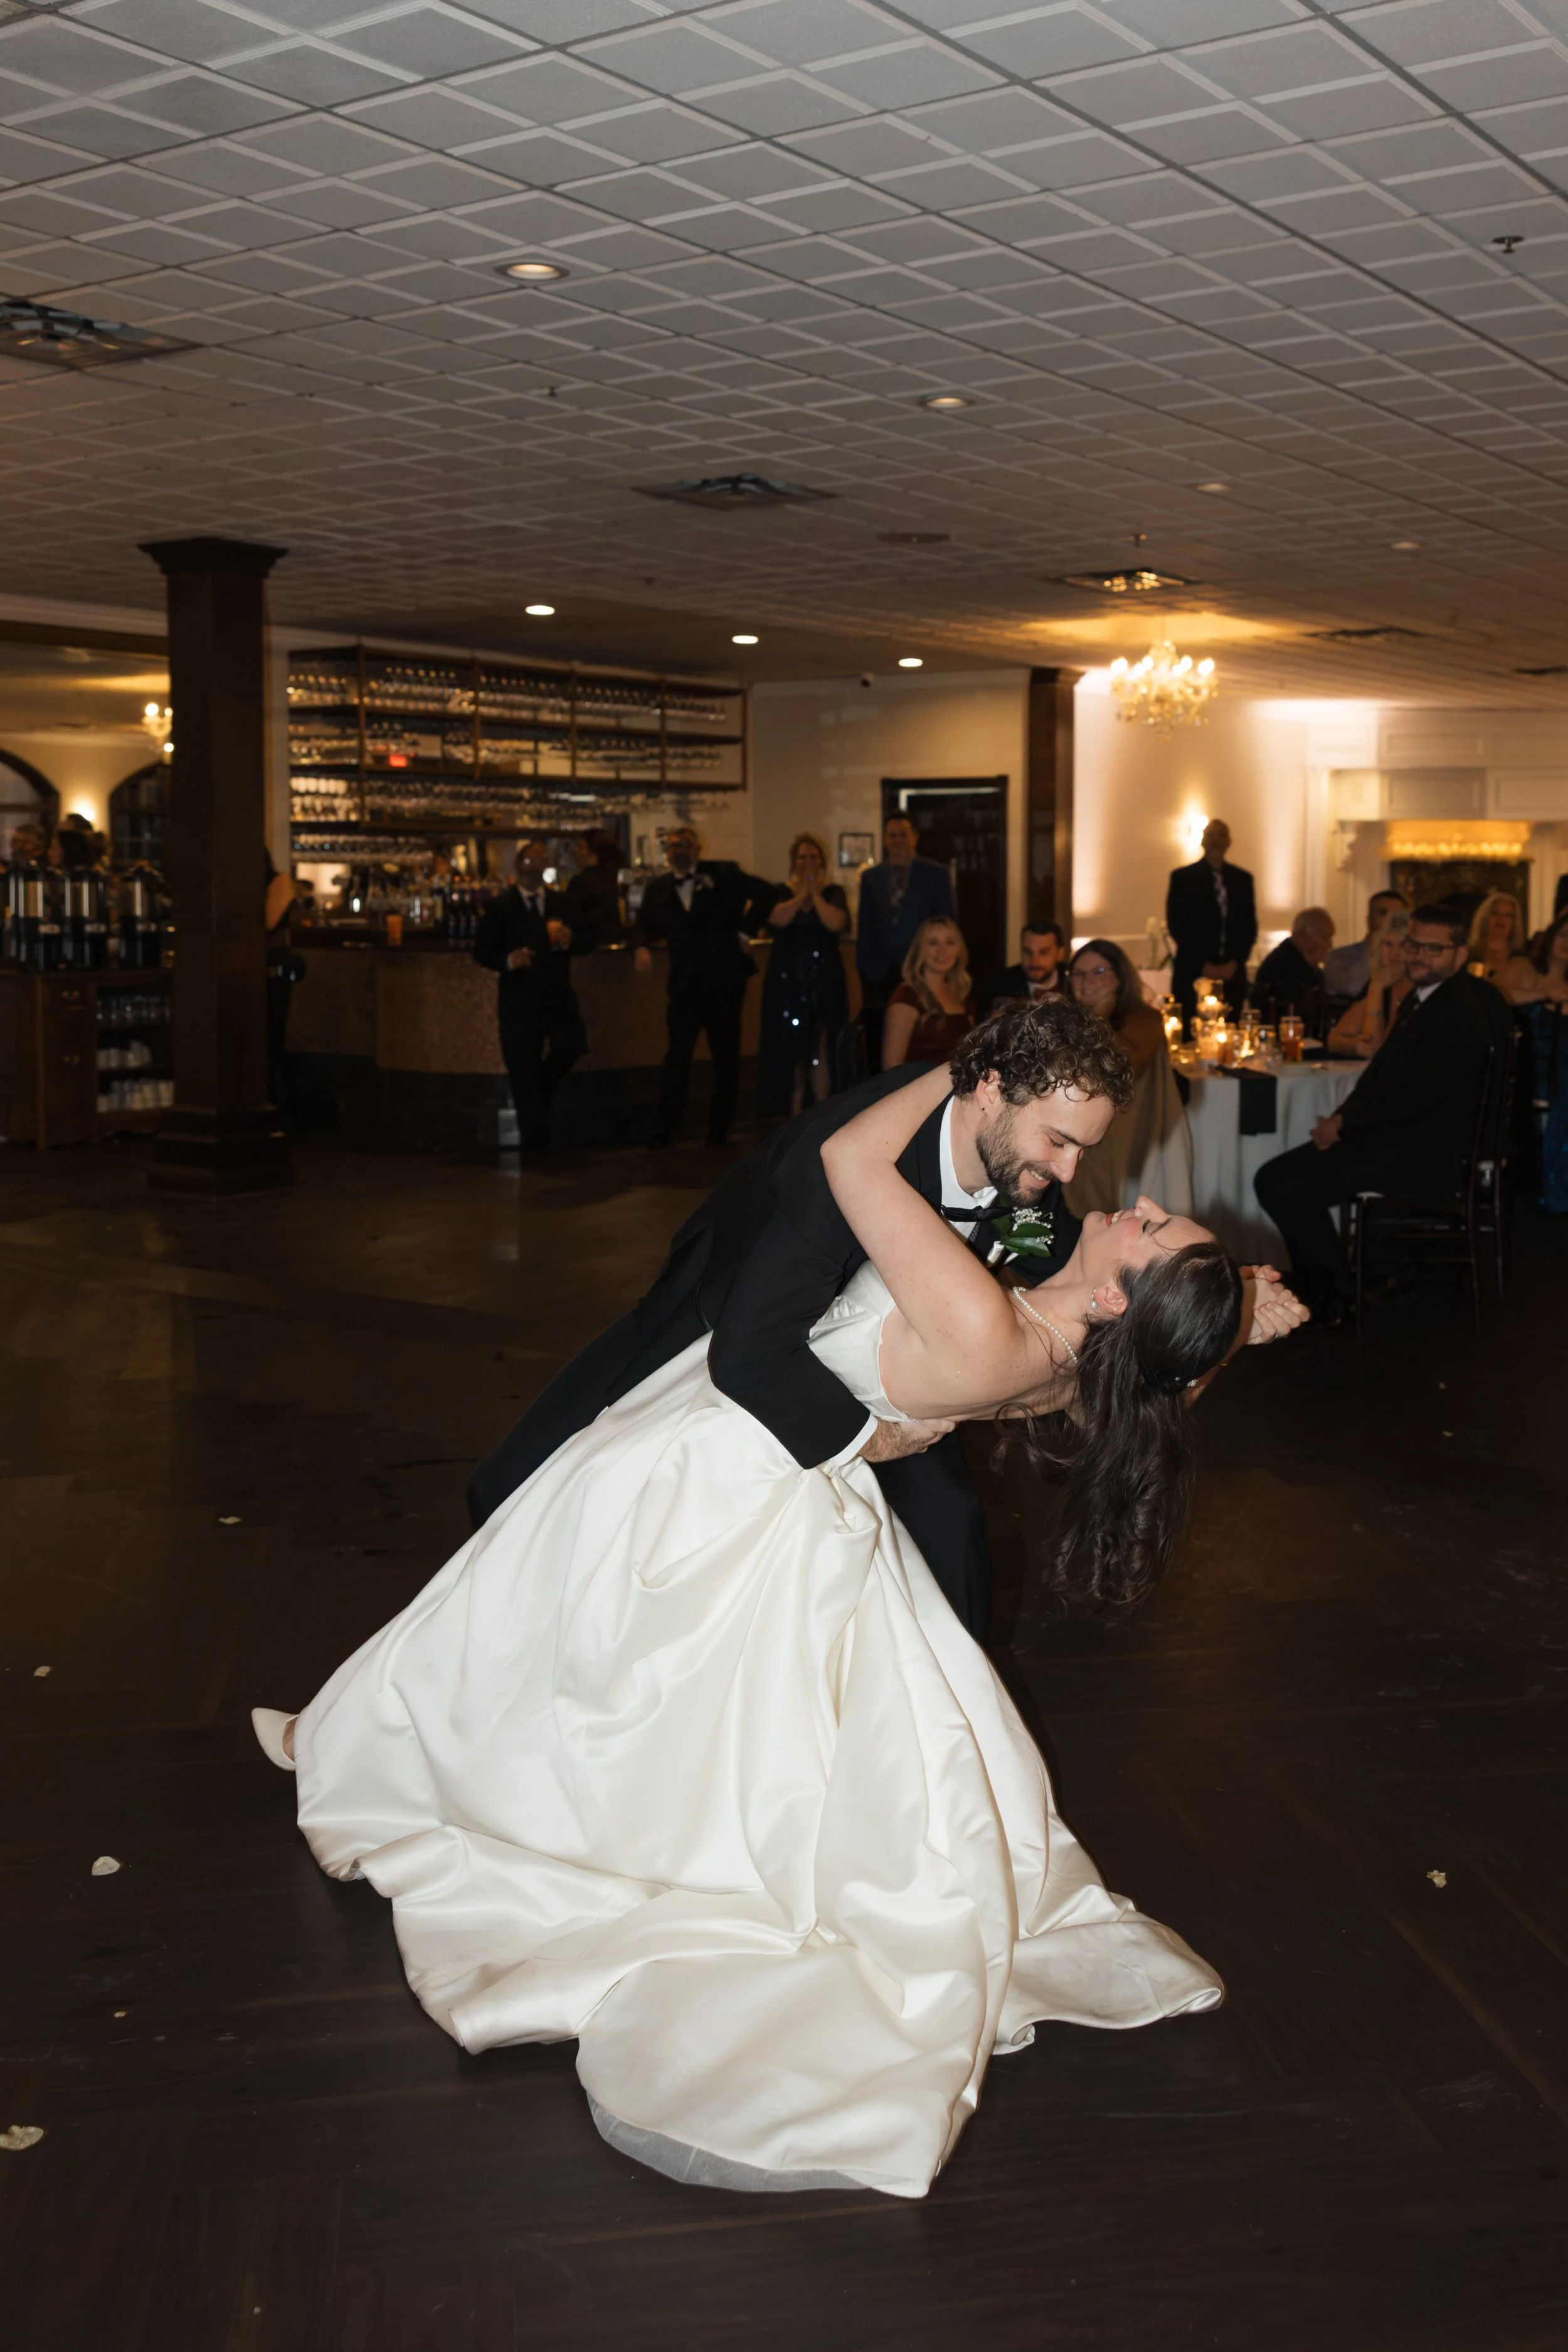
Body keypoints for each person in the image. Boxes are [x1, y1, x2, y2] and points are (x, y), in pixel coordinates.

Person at [253, 1049, 1306, 2200]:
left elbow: (847, 1160)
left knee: (544, 1629)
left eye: (1150, 1234)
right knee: (628, 1677)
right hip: (798, 1479)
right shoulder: (1080, 1354)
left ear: (1117, 1295)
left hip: (721, 1468)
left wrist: (962, 1068)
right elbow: (1158, 1361)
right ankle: (450, 1763)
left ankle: (424, 1773)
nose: (1138, 1201)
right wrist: (1234, 1315)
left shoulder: (983, 1316)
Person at [1254, 903, 1512, 1320]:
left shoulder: (1455, 1011)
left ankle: (1340, 1292)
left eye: (1433, 949)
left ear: (1460, 956)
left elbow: (1413, 1098)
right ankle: (1334, 1284)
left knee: (1279, 1182)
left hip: (1424, 1158)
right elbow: (1383, 1078)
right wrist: (1343, 1119)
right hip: (1406, 1140)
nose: (1417, 956)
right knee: (1280, 1178)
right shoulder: (1432, 998)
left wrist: (1346, 1123)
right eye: (1413, 945)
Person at [631, 825, 775, 1148]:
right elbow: (642, 926)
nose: (679, 850)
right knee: (677, 1056)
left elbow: (768, 893)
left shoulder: (723, 873)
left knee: (726, 1057)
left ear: (698, 848)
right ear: (667, 853)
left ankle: (719, 1130)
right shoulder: (658, 889)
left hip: (725, 982)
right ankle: (666, 1128)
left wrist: (744, 931)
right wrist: (641, 947)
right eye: (673, 846)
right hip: (684, 987)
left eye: (685, 844)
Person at [474, 837, 586, 1152]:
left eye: (539, 860)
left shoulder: (564, 904)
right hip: (519, 997)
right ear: (517, 866)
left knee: (572, 1044)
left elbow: (590, 938)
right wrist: (509, 960)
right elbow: (482, 951)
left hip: (557, 992)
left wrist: (570, 940)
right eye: (528, 860)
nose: (534, 866)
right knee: (522, 1064)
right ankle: (535, 1140)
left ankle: (540, 1099)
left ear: (547, 866)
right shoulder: (499, 907)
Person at [1065, 938, 1192, 1216]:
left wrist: (1097, 1016)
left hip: (1126, 1130)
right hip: (1074, 1127)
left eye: (1099, 972)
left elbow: (1123, 1066)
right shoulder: (1065, 1021)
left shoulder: (1146, 1019)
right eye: (1079, 974)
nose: (1087, 982)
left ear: (1120, 978)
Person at [757, 829, 849, 1118]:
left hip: (824, 983)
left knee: (821, 1048)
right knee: (791, 1048)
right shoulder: (781, 892)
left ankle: (821, 1113)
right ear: (793, 862)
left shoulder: (834, 893)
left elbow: (836, 923)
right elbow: (777, 920)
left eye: (812, 857)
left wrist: (815, 894)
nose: (807, 862)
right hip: (788, 983)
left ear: (821, 862)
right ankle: (792, 1115)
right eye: (802, 857)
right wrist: (802, 894)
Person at [854, 815, 954, 1062]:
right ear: (886, 841)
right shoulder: (871, 878)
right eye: (892, 835)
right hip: (879, 973)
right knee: (878, 1043)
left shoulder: (936, 874)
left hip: (922, 969)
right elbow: (865, 925)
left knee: (920, 1035)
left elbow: (947, 922)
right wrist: (865, 968)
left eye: (903, 834)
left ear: (914, 838)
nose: (898, 840)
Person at [1166, 818, 1256, 1033]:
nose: (1216, 841)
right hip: (1192, 972)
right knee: (1190, 1031)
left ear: (1229, 842)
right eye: (1211, 835)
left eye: (1222, 835)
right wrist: (1204, 965)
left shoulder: (1243, 880)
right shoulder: (1183, 878)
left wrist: (1234, 963)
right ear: (1203, 841)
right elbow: (1178, 925)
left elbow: (1249, 927)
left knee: (1230, 1032)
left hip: (1232, 975)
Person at [881, 917, 975, 1068]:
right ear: (920, 950)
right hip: (917, 1088)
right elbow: (891, 1067)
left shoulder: (962, 995)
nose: (942, 951)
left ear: (959, 950)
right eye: (933, 943)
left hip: (960, 1087)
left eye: (950, 943)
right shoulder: (907, 996)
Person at [1327, 906, 1412, 1058]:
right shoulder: (1381, 983)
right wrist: (1355, 1047)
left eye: (1403, 945)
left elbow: (1379, 1050)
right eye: (1388, 945)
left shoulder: (1422, 990)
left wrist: (1376, 988)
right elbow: (1334, 1039)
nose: (1394, 954)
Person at [1251, 908, 1335, 1025]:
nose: (1330, 946)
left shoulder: (1310, 970)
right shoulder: (1280, 969)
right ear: (1302, 937)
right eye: (1325, 938)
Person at [1322, 889, 1407, 1003]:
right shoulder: (1338, 957)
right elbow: (1354, 988)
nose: (1390, 921)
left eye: (1397, 916)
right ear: (1369, 919)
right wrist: (1376, 945)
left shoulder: (1411, 957)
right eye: (1383, 913)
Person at [561, 829, 625, 955]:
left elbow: (569, 916)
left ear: (595, 852)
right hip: (616, 949)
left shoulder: (582, 882)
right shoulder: (616, 876)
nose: (575, 852)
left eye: (581, 847)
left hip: (587, 952)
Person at [987, 919, 1066, 1012]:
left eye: (1043, 952)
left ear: (1060, 953)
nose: (1035, 962)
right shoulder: (998, 986)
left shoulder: (1074, 983)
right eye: (1028, 952)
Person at [1468, 889, 1527, 984]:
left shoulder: (1522, 961)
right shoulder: (1469, 956)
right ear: (1485, 918)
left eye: (1508, 916)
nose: (1501, 920)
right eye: (1495, 914)